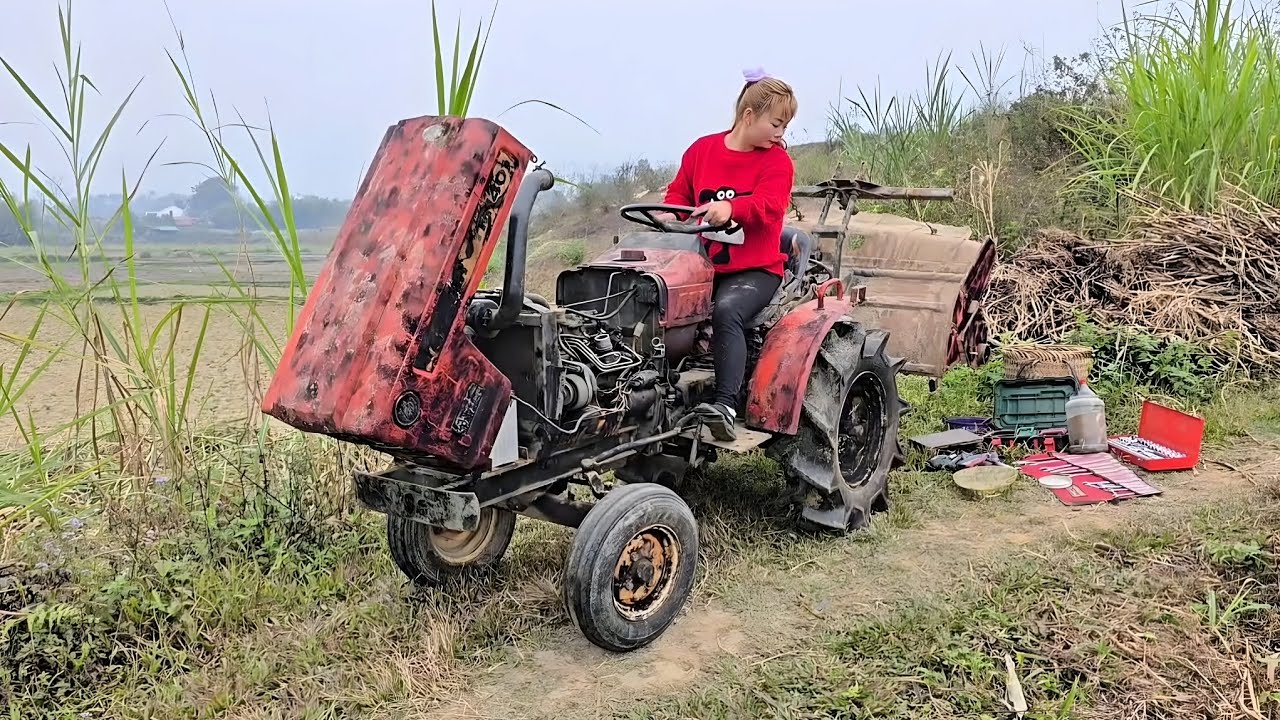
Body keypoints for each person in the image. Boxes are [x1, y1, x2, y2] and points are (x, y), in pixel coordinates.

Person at [660, 67, 797, 441]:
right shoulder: (702, 150)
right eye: (776, 123)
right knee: (654, 300)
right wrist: (668, 212)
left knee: (726, 310)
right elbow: (679, 196)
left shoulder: (777, 163)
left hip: (754, 271)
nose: (780, 133)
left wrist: (732, 208)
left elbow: (770, 205)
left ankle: (724, 404)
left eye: (784, 125)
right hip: (704, 267)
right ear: (748, 116)